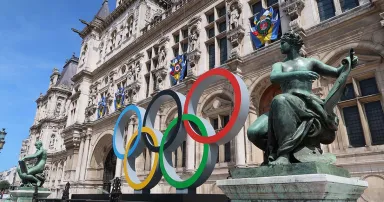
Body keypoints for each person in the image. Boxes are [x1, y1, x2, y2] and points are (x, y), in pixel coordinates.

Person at [247, 31, 358, 165]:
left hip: (305, 102)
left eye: (283, 43)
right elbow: (274, 77)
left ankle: (285, 155)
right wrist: (300, 74)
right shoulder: (279, 65)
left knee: (279, 100)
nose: (280, 46)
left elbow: (336, 72)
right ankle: (275, 153)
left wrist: (349, 63)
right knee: (254, 132)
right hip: (284, 102)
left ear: (292, 44)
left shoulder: (310, 62)